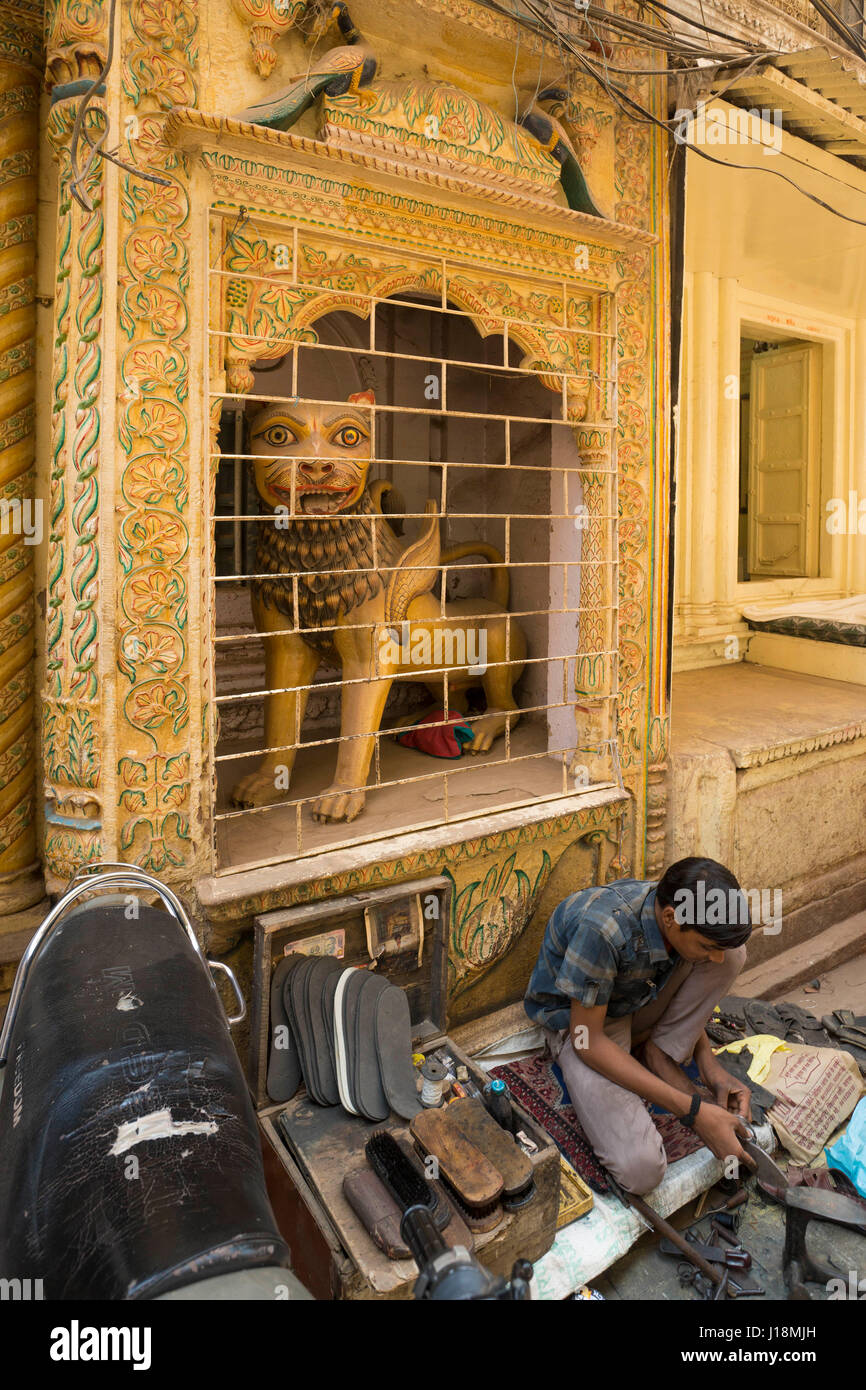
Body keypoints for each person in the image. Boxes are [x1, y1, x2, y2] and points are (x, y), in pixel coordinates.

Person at [524, 856, 755, 1195]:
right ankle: (654, 1054)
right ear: (670, 919)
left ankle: (658, 1053)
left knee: (733, 954)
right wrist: (692, 1111)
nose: (713, 956)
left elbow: (673, 979)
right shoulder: (602, 930)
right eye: (707, 946)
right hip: (585, 1025)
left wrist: (710, 1068)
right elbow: (587, 1040)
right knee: (641, 1171)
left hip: (634, 999)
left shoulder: (677, 916)